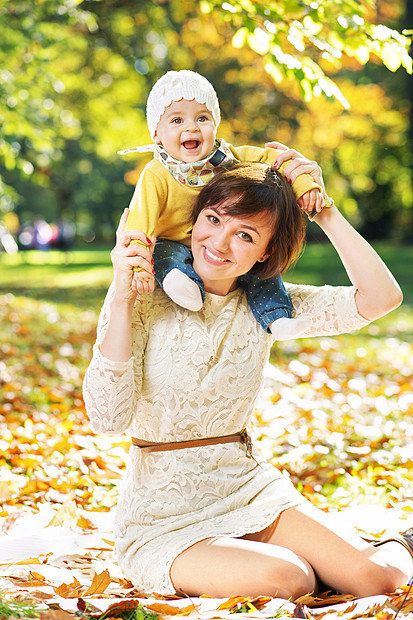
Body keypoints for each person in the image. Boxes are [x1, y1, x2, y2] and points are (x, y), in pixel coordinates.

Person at [83, 148, 413, 600]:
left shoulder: (269, 308)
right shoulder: (140, 297)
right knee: (288, 577)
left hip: (248, 490)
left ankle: (402, 542)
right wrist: (121, 296)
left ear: (266, 252)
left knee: (380, 578)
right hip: (164, 519)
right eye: (214, 220)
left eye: (244, 234)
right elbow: (106, 419)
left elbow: (381, 298)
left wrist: (324, 211)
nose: (218, 243)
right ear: (194, 220)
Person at [118, 70, 325, 338]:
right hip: (172, 242)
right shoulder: (157, 174)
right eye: (177, 120)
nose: (191, 127)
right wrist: (138, 267)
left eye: (202, 118)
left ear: (215, 125)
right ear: (157, 134)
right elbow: (140, 222)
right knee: (166, 256)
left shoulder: (228, 158)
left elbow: (277, 159)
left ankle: (278, 318)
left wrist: (306, 187)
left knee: (261, 271)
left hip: (225, 244)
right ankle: (183, 285)